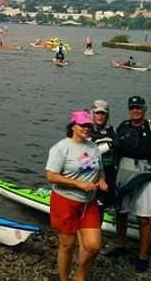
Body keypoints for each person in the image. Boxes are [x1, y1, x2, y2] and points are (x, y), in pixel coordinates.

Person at [106, 96, 151, 273]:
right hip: (123, 171)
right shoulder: (123, 127)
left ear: (145, 109)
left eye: (139, 107)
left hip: (144, 174)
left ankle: (143, 256)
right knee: (121, 211)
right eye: (132, 107)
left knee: (145, 216)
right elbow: (114, 150)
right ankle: (120, 245)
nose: (135, 110)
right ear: (129, 109)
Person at [46, 111, 106, 281]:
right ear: (73, 126)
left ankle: (80, 275)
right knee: (67, 245)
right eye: (83, 125)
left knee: (93, 246)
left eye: (89, 126)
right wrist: (79, 184)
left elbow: (99, 169)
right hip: (65, 201)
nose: (86, 129)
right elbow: (51, 176)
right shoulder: (61, 148)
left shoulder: (93, 147)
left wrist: (102, 180)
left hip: (88, 203)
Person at [90, 100, 118, 216]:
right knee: (94, 209)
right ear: (93, 114)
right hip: (93, 176)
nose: (100, 116)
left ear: (107, 115)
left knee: (105, 207)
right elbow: (88, 154)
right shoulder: (87, 130)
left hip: (110, 176)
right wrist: (109, 146)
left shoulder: (112, 132)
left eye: (103, 114)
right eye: (97, 113)